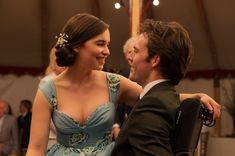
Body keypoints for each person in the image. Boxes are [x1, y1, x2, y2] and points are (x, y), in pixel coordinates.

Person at [26, 13, 220, 156]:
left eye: (108, 44)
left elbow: (155, 98)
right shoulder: (48, 90)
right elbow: (35, 148)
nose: (108, 52)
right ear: (77, 45)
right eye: (101, 44)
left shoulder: (114, 83)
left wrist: (196, 96)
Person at [111, 19, 209, 155]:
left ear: (155, 60)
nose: (131, 58)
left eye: (136, 51)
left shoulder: (151, 106)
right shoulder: (167, 97)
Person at [113, 37, 136, 140]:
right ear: (125, 55)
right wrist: (116, 126)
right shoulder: (121, 76)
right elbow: (115, 104)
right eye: (129, 52)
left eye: (135, 51)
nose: (132, 56)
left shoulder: (146, 76)